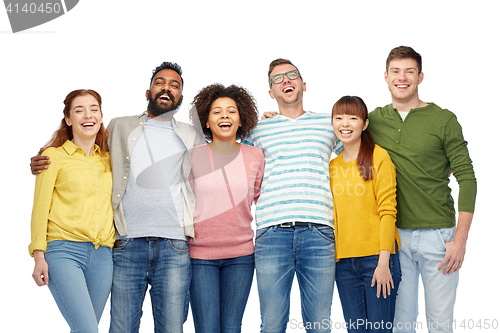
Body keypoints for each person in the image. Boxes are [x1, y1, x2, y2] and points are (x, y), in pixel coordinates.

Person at [30, 62, 203, 333]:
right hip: (125, 244)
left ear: (180, 96)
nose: (166, 87)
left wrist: (260, 125)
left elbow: (224, 149)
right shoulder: (119, 126)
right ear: (148, 92)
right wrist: (42, 158)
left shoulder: (192, 134)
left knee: (171, 328)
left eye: (174, 85)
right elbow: (82, 141)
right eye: (159, 82)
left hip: (172, 246)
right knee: (118, 328)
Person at [368, 46, 477, 333]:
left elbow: (467, 178)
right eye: (395, 71)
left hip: (439, 238)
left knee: (440, 324)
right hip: (394, 239)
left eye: (409, 72)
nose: (402, 78)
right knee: (400, 324)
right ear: (385, 76)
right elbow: (340, 132)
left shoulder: (443, 120)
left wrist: (461, 240)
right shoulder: (373, 120)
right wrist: (274, 119)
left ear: (420, 77)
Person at [243, 59, 343, 333]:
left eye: (292, 75)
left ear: (303, 84)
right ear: (271, 92)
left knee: (319, 325)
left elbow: (357, 152)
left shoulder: (329, 124)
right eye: (277, 79)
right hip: (271, 233)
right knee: (273, 324)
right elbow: (232, 162)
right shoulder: (257, 130)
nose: (286, 81)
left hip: (319, 232)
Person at [29, 89, 115, 333]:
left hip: (103, 256)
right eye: (79, 110)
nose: (88, 115)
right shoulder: (53, 157)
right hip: (64, 252)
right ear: (68, 119)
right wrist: (38, 255)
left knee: (85, 329)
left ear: (100, 115)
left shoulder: (110, 159)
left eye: (93, 109)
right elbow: (40, 207)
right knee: (88, 330)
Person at [187, 83, 264, 333]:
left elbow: (258, 196)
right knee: (206, 328)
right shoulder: (191, 156)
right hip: (199, 256)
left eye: (231, 111)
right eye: (217, 111)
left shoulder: (255, 156)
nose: (224, 116)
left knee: (231, 328)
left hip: (241, 256)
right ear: (206, 122)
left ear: (241, 120)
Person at [330, 96, 401, 333]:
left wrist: (383, 263)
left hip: (377, 259)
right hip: (344, 264)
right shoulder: (332, 167)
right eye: (338, 118)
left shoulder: (378, 156)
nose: (345, 123)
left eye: (352, 117)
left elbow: (388, 211)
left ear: (365, 124)